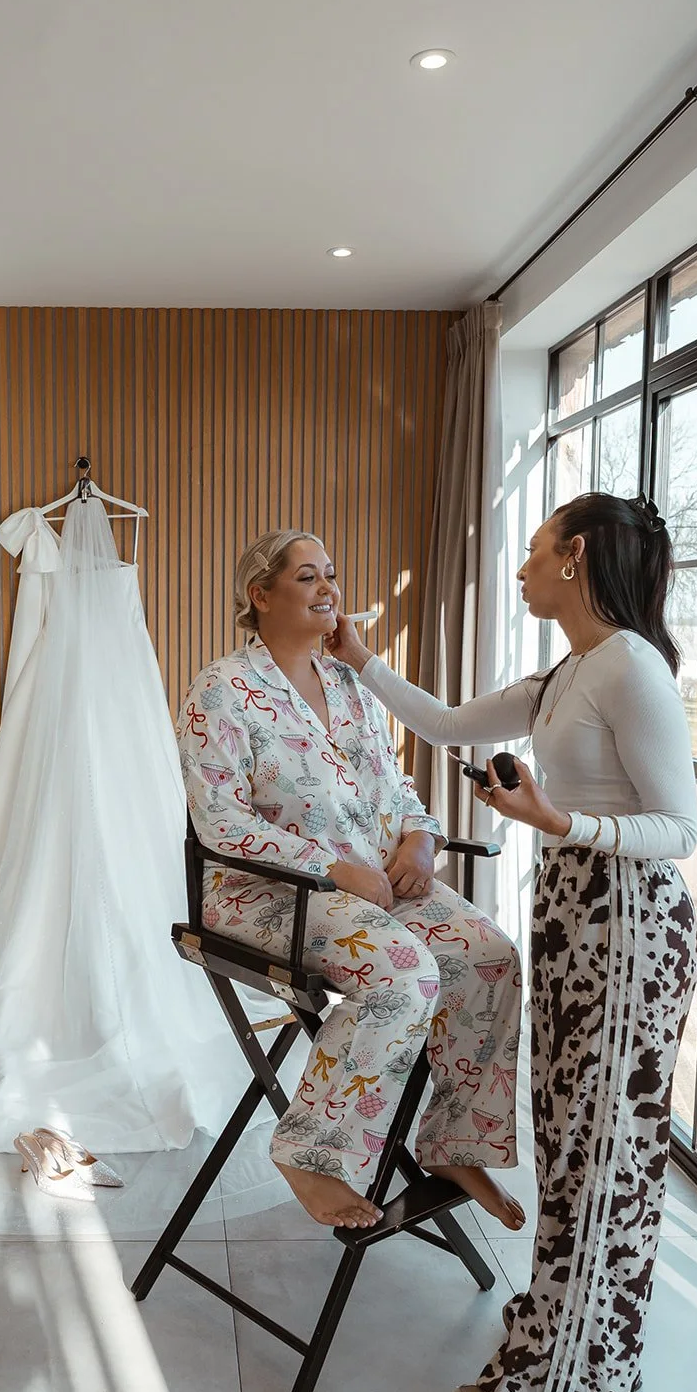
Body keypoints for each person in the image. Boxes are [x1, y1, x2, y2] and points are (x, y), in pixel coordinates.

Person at [340, 491, 697, 1392]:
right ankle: (553, 1343)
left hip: (624, 933)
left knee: (604, 1159)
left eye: (534, 550)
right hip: (574, 926)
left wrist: (553, 822)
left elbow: (677, 830)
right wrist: (355, 656)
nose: (522, 566)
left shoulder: (631, 669)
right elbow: (450, 722)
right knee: (571, 1150)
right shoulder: (567, 672)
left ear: (575, 557)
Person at [177, 529, 526, 1236]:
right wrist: (333, 869)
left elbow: (393, 786)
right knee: (401, 974)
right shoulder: (222, 688)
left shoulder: (349, 683)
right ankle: (313, 1154)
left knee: (488, 955)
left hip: (374, 881)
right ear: (260, 595)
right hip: (268, 892)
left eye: (330, 574)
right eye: (307, 577)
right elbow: (219, 820)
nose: (327, 589)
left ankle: (452, 1145)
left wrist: (420, 839)